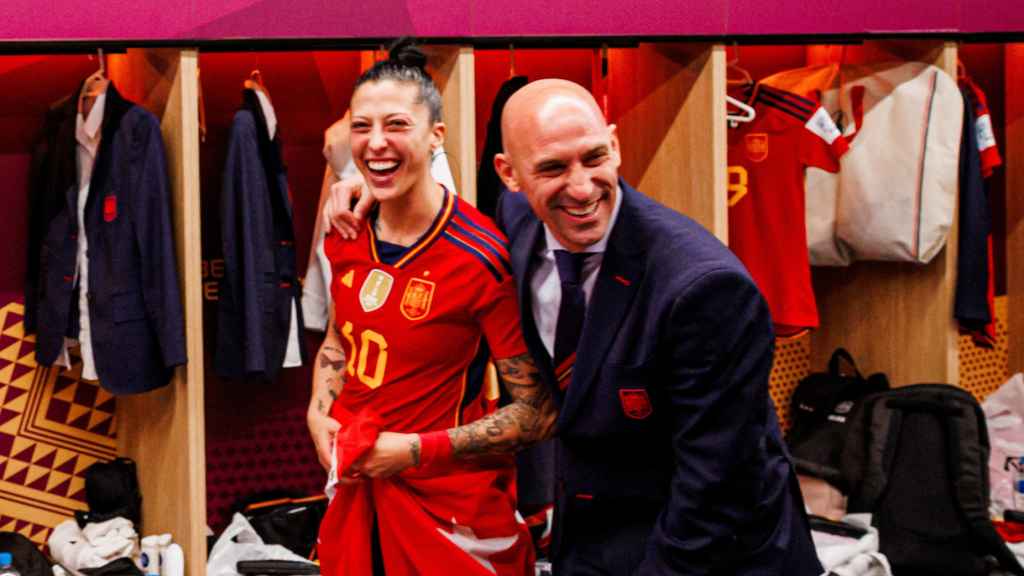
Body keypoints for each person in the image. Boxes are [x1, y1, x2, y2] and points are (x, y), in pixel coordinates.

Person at [329, 77, 824, 575]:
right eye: (552, 168)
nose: (582, 187)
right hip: (593, 534)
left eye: (593, 158)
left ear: (614, 144)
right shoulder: (518, 221)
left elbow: (717, 485)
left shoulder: (703, 288)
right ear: (509, 174)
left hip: (711, 551)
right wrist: (369, 190)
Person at [306, 41, 545, 575]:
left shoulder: (480, 257)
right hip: (356, 493)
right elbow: (339, 340)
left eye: (396, 125)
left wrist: (416, 450)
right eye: (362, 127)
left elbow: (536, 413)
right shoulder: (345, 230)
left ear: (435, 135)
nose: (376, 143)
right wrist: (317, 409)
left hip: (449, 510)